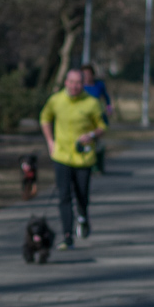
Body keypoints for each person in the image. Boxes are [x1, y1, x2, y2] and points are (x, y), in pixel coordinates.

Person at [39, 69, 106, 249]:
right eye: (71, 82)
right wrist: (50, 141)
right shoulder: (56, 100)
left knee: (81, 195)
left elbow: (102, 126)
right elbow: (45, 118)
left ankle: (83, 216)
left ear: (83, 84)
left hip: (83, 158)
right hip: (61, 155)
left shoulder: (91, 103)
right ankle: (67, 235)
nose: (74, 86)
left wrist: (91, 135)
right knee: (64, 196)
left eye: (78, 83)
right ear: (65, 82)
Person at [81, 64, 112, 173]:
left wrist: (109, 108)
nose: (87, 76)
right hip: (84, 118)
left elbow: (106, 98)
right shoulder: (80, 87)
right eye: (84, 74)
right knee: (86, 140)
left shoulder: (99, 85)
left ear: (93, 75)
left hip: (97, 116)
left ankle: (97, 164)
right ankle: (87, 163)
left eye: (89, 74)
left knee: (96, 140)